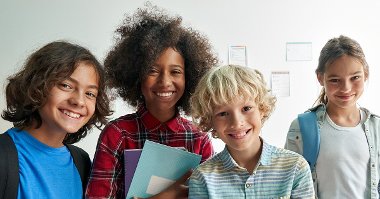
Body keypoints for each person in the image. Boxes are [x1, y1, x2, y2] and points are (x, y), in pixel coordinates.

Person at [86, 4, 218, 199]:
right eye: (152, 70)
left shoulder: (199, 139)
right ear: (136, 76)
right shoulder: (117, 135)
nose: (165, 82)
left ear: (189, 78)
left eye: (175, 72)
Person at [0, 41, 111, 199]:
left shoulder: (82, 163)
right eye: (66, 85)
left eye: (90, 94)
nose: (79, 101)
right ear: (37, 86)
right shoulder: (4, 156)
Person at [188, 65, 315, 198]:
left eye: (246, 108)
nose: (237, 123)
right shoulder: (202, 177)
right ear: (210, 121)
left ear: (262, 109)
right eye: (223, 113)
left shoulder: (295, 167)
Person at [285, 35, 380, 198]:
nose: (346, 88)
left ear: (366, 74)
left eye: (355, 77)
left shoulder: (376, 127)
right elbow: (289, 186)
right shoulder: (301, 127)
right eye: (335, 80)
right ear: (320, 77)